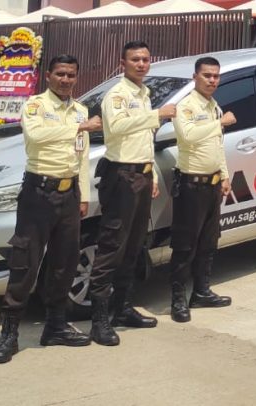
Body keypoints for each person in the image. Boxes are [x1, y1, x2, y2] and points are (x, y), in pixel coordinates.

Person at [0, 55, 102, 364]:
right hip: (38, 192)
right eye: (60, 74)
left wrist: (83, 195)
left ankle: (55, 326)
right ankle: (9, 334)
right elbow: (36, 138)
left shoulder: (80, 110)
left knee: (65, 262)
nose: (66, 80)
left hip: (68, 195)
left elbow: (81, 156)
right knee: (25, 261)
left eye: (71, 75)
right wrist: (79, 127)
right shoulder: (36, 106)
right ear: (48, 76)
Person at [87, 41, 176, 346]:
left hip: (140, 173)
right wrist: (158, 115)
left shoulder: (143, 93)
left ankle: (122, 307)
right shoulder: (117, 94)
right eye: (135, 59)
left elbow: (143, 139)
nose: (141, 64)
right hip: (121, 174)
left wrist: (149, 170)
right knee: (112, 244)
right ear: (123, 62)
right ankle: (98, 319)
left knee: (135, 244)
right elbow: (118, 126)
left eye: (145, 59)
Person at [168, 56, 234, 323]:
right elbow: (187, 136)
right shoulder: (186, 106)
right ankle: (177, 299)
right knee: (185, 245)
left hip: (212, 184)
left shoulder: (213, 106)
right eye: (207, 75)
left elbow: (217, 146)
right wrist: (220, 123)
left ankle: (202, 291)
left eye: (216, 76)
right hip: (191, 185)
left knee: (208, 242)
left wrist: (225, 175)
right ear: (195, 77)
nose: (212, 81)